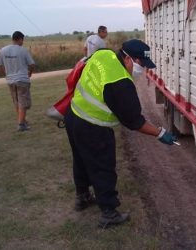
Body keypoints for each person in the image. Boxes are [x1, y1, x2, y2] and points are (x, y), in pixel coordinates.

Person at [64, 39, 177, 228]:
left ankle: (82, 197)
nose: (143, 69)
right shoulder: (121, 83)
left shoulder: (103, 54)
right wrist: (160, 133)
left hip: (73, 114)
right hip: (93, 126)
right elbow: (135, 122)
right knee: (103, 167)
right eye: (140, 63)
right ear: (127, 58)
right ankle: (109, 213)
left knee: (81, 159)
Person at [0, 31, 35, 132]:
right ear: (20, 39)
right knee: (23, 102)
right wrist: (30, 73)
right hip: (22, 79)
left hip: (10, 80)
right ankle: (21, 124)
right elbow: (31, 64)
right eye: (22, 40)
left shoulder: (3, 50)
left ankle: (22, 120)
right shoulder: (23, 50)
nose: (23, 42)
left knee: (17, 102)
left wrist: (6, 74)